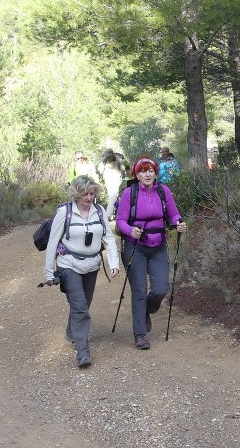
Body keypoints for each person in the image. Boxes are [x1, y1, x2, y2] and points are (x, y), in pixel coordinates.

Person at [43, 175, 120, 368]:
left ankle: (71, 331)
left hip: (92, 266)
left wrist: (114, 263)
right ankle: (83, 352)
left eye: (92, 193)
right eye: (85, 194)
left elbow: (108, 239)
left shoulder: (100, 211)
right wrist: (49, 272)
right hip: (69, 265)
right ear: (76, 194)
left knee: (83, 304)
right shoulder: (64, 213)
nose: (88, 198)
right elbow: (52, 242)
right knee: (80, 307)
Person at [116, 157, 187, 350]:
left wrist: (178, 222)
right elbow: (121, 220)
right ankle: (140, 334)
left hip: (158, 247)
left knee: (161, 289)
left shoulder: (164, 192)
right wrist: (130, 231)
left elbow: (173, 214)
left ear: (156, 173)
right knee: (139, 291)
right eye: (143, 171)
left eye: (151, 170)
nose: (147, 174)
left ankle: (146, 310)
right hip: (135, 247)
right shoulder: (129, 194)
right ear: (136, 174)